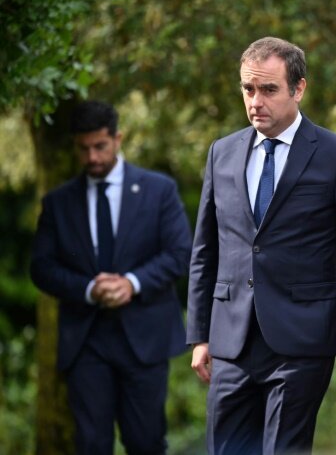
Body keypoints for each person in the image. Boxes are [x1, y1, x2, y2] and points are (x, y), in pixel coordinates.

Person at [186, 36, 336, 455]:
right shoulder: (222, 153)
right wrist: (200, 334)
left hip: (302, 340)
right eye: (248, 89)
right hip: (231, 339)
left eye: (269, 89)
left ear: (298, 89)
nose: (256, 100)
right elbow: (206, 249)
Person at [30, 100, 192, 454]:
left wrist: (131, 283)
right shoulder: (58, 202)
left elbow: (181, 254)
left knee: (146, 442)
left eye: (100, 146)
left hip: (144, 339)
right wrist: (89, 289)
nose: (92, 158)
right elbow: (41, 268)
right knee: (91, 444)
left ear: (118, 139)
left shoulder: (158, 189)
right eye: (83, 149)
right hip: (86, 340)